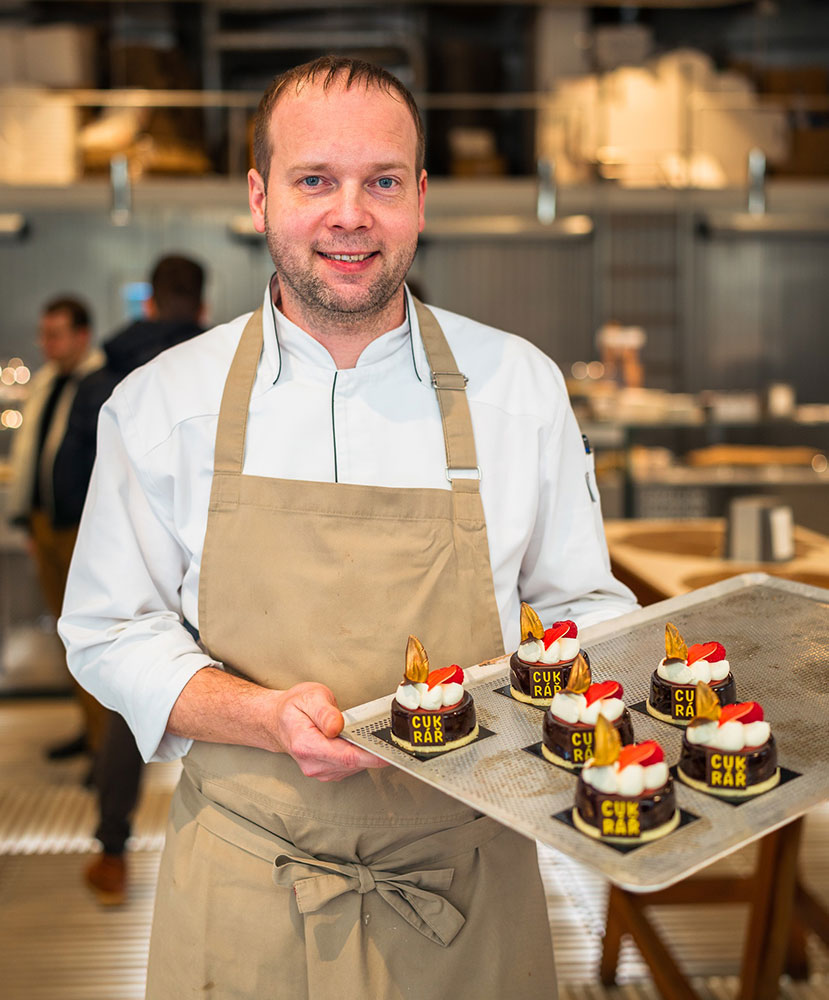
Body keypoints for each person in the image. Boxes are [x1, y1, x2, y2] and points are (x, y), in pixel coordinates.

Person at [60, 57, 637, 999]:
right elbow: (109, 629)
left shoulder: (518, 387)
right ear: (260, 196)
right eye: (315, 180)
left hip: (470, 881)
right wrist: (260, 717)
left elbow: (582, 607)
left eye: (383, 182)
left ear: (421, 197)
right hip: (246, 884)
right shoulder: (164, 403)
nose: (350, 214)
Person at [53, 255, 206, 904]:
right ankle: (227, 851)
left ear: (149, 303)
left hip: (128, 558)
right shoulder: (226, 370)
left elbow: (72, 471)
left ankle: (112, 850)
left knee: (132, 699)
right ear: (202, 306)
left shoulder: (108, 375)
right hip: (213, 570)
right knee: (248, 696)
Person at [7, 296, 105, 759]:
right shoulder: (47, 382)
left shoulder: (100, 383)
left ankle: (106, 746)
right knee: (69, 635)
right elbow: (34, 455)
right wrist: (27, 517)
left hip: (82, 528)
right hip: (46, 523)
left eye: (56, 334)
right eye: (43, 334)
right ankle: (88, 729)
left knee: (93, 634)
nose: (46, 343)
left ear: (82, 336)